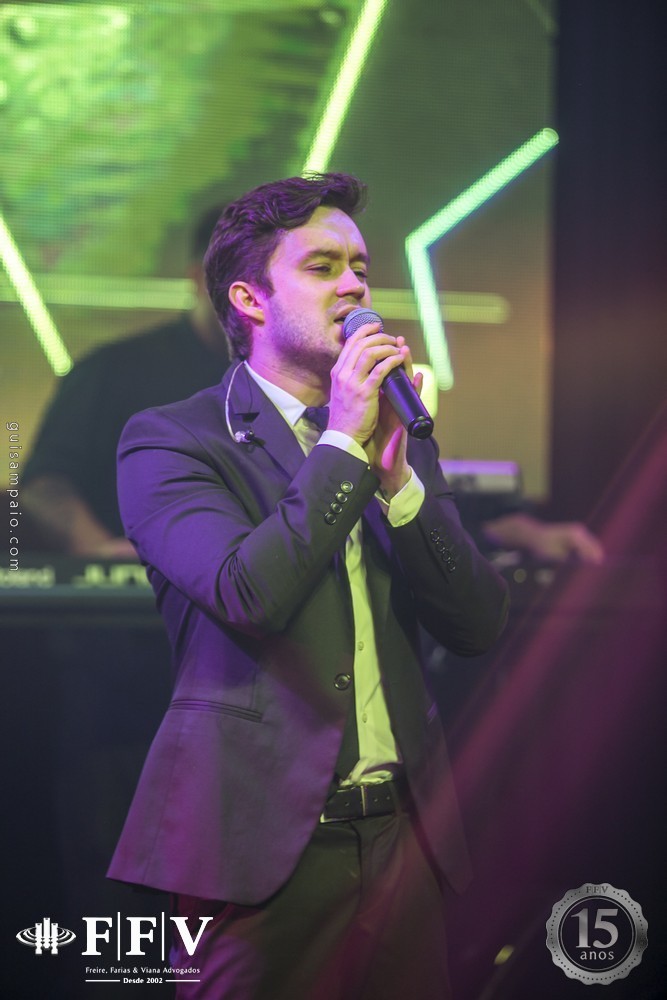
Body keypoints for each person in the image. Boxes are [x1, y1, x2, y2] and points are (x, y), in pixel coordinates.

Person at [107, 172, 509, 999]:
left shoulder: (389, 430)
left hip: (404, 837)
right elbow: (247, 592)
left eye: (360, 267)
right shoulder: (173, 441)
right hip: (255, 851)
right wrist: (342, 443)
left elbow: (477, 625)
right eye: (322, 267)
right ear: (249, 300)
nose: (354, 286)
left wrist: (399, 484)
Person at [22, 208, 230, 558]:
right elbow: (43, 484)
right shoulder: (111, 369)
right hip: (143, 585)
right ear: (197, 278)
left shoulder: (291, 381)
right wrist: (104, 554)